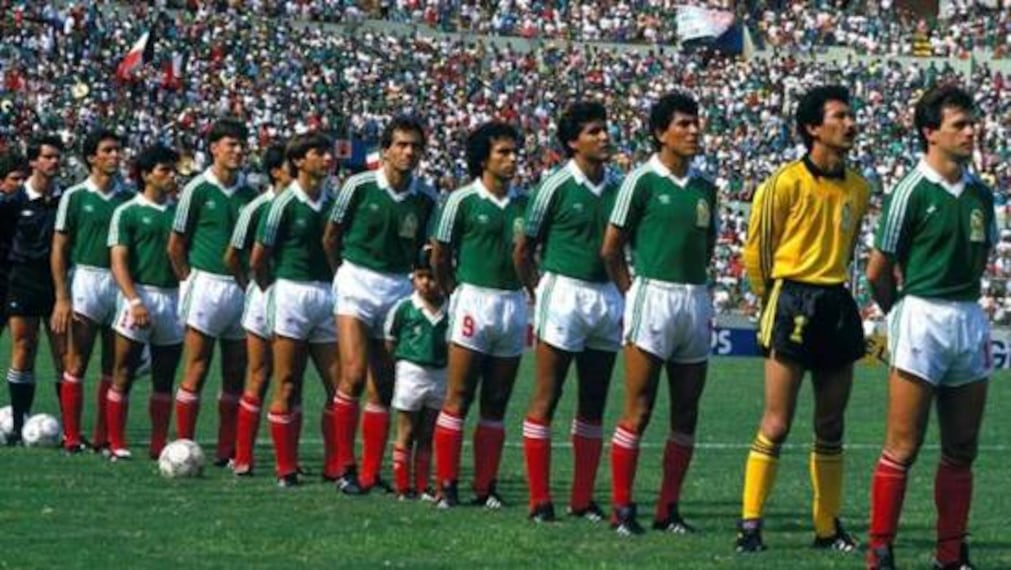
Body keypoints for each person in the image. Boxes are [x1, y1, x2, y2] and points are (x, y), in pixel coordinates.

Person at [737, 85, 869, 552]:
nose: (850, 123)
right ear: (813, 127)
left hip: (836, 301)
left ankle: (827, 528)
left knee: (831, 424)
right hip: (791, 298)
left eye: (851, 116)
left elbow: (848, 250)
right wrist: (771, 298)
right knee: (777, 422)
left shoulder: (860, 187)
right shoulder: (784, 183)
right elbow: (758, 251)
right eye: (840, 116)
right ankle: (750, 525)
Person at [865, 85, 991, 570]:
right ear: (930, 133)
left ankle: (950, 554)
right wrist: (897, 314)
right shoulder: (910, 191)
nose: (971, 131)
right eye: (959, 124)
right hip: (920, 315)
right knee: (904, 445)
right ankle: (880, 550)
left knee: (962, 447)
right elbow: (879, 268)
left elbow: (977, 259)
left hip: (968, 317)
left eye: (972, 122)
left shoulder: (980, 194)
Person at [599, 92, 718, 535]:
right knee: (640, 407)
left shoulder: (706, 187)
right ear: (660, 132)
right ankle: (622, 508)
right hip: (652, 295)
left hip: (694, 298)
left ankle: (669, 510)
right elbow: (611, 249)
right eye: (683, 124)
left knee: (686, 411)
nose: (693, 131)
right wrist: (632, 294)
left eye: (695, 123)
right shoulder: (640, 182)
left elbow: (706, 248)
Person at [515, 101, 622, 523]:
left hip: (606, 296)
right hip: (563, 292)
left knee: (594, 401)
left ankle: (582, 499)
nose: (604, 137)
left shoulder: (618, 187)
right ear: (573, 141)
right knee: (547, 395)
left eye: (605, 129)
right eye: (594, 131)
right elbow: (524, 250)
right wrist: (538, 290)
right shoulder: (554, 186)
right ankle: (540, 499)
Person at [323, 116, 435, 493]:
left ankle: (371, 473)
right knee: (353, 374)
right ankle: (345, 467)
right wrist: (341, 275)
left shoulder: (426, 197)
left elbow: (426, 250)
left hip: (396, 288)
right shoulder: (358, 186)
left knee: (383, 386)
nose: (408, 152)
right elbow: (331, 237)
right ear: (385, 150)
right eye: (401, 145)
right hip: (355, 279)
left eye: (415, 146)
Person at [431, 121, 528, 509]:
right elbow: (439, 255)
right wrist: (455, 292)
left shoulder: (526, 202)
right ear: (483, 159)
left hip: (512, 302)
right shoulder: (461, 200)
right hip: (473, 299)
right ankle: (446, 485)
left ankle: (485, 487)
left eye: (513, 152)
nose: (512, 159)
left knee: (497, 399)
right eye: (503, 152)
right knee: (458, 395)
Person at [250, 132, 339, 487]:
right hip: (289, 292)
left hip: (327, 295)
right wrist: (272, 288)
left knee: (339, 385)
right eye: (319, 153)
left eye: (328, 152)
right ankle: (285, 467)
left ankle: (335, 464)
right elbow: (259, 258)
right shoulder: (282, 204)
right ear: (299, 161)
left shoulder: (332, 203)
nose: (327, 159)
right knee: (287, 382)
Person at [168, 118, 258, 465]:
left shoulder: (250, 194)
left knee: (235, 370)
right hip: (205, 283)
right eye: (230, 144)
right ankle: (185, 444)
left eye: (240, 144)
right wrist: (188, 279)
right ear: (214, 148)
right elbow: (176, 244)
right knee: (197, 366)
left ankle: (226, 447)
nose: (237, 151)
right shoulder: (197, 189)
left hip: (240, 287)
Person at [51, 128, 133, 453]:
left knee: (114, 365)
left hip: (119, 284)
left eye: (117, 150)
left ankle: (105, 437)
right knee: (76, 360)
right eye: (108, 150)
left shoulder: (127, 198)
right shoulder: (75, 196)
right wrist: (62, 296)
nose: (115, 155)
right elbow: (58, 247)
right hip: (86, 279)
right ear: (91, 158)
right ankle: (72, 437)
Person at [104, 144, 183, 460]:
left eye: (173, 170)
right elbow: (118, 261)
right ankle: (116, 442)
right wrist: (134, 300)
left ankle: (158, 444)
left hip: (173, 298)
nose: (171, 176)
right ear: (146, 175)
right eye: (164, 170)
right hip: (139, 295)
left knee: (165, 376)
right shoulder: (128, 212)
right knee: (123, 370)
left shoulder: (179, 213)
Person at [224, 143, 298, 477]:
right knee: (258, 374)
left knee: (291, 379)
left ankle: (290, 460)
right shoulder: (257, 208)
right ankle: (243, 456)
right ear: (275, 172)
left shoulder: (309, 203)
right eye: (289, 165)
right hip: (264, 295)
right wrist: (255, 287)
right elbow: (233, 256)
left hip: (295, 297)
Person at [4, 135, 67, 445]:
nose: (54, 162)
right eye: (48, 157)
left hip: (59, 286)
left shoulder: (66, 199)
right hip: (24, 282)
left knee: (64, 354)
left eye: (57, 157)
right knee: (23, 347)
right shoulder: (13, 202)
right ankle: (18, 424)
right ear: (33, 162)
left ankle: (71, 427)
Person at [384, 245, 447, 500]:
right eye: (421, 276)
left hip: (440, 373)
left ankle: (422, 485)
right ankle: (402, 485)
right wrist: (403, 361)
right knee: (406, 431)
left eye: (432, 277)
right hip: (412, 372)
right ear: (413, 277)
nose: (427, 283)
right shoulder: (404, 307)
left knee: (427, 433)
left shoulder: (451, 307)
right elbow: (390, 338)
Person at [0, 151, 29, 342]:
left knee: (24, 342)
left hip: (20, 281)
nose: (20, 184)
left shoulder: (30, 208)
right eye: (15, 179)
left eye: (23, 179)